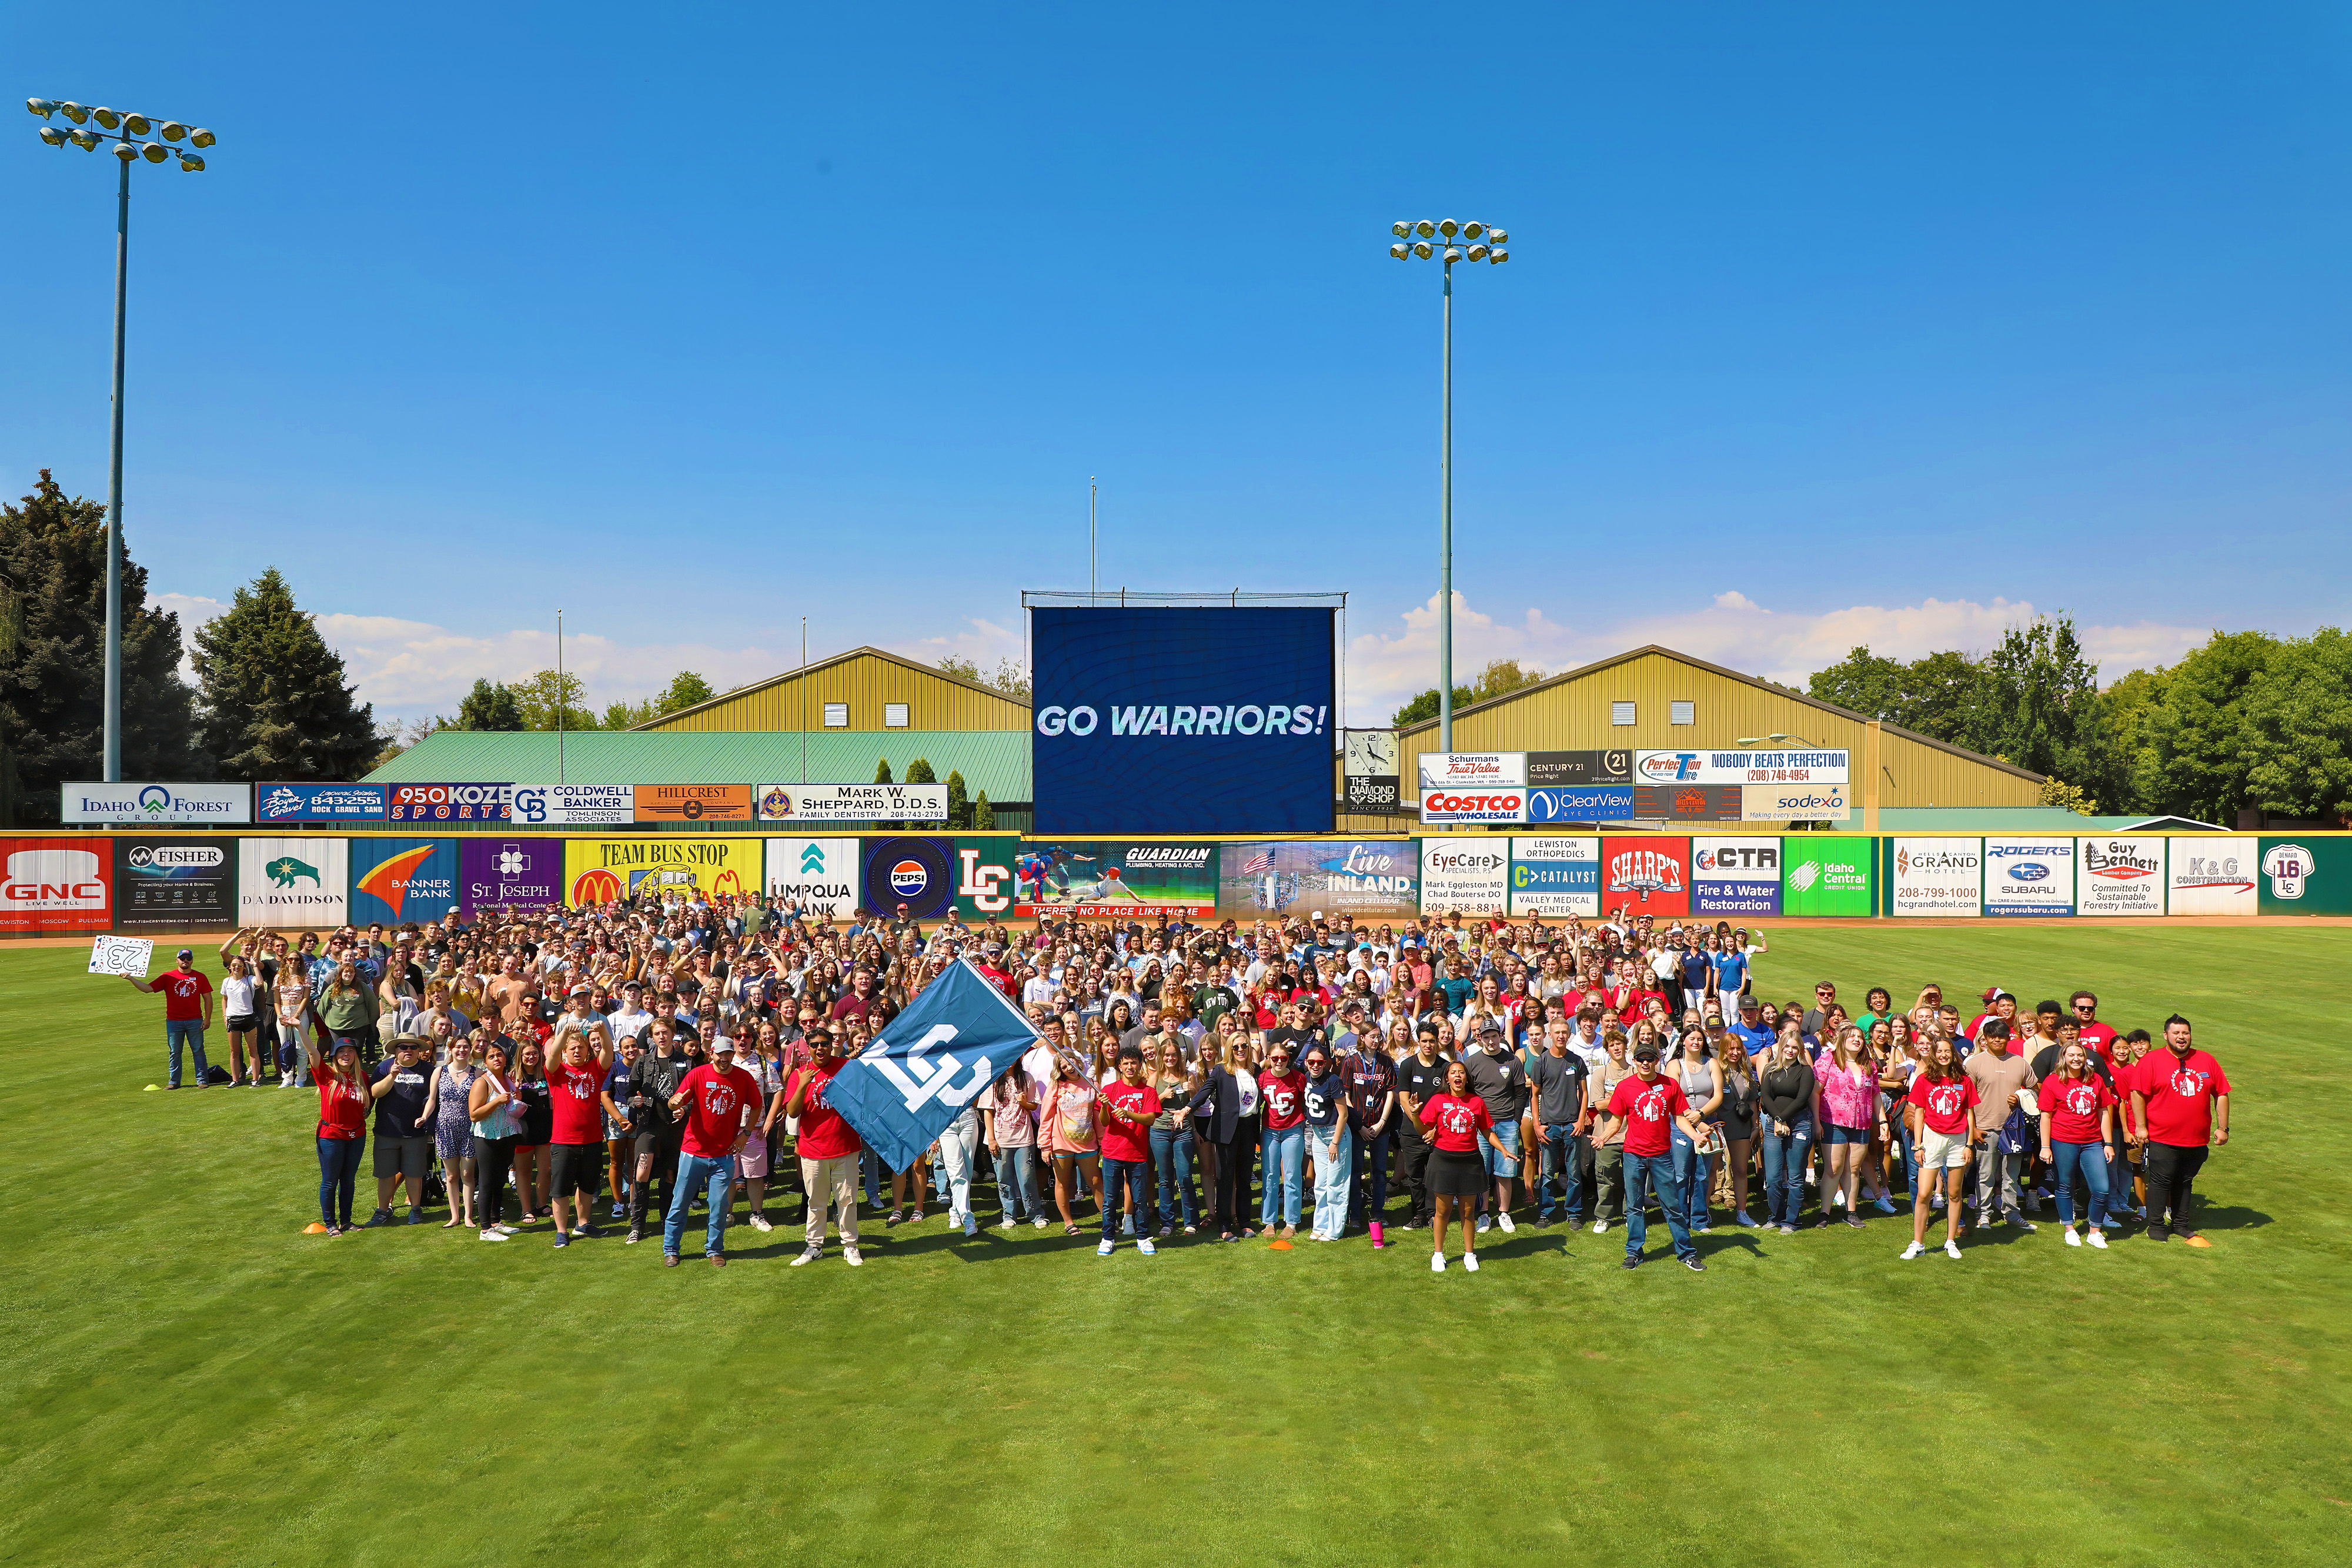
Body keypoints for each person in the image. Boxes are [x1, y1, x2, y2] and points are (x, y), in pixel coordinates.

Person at [1598, 1042, 1709, 1272]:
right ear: (1634, 1061)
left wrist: (1696, 1136)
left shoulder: (1670, 1085)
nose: (1645, 1063)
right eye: (1641, 1059)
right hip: (1633, 1155)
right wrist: (1603, 1137)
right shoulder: (1625, 1087)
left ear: (1657, 1060)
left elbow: (1679, 1118)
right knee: (1635, 1207)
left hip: (1662, 1156)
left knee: (1672, 1206)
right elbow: (1617, 1121)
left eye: (1650, 1059)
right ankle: (1634, 1253)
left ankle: (1687, 1253)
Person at [2128, 1015, 2231, 1247]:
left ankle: (2181, 1224)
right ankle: (2155, 1226)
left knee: (2185, 1181)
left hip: (2196, 1138)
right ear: (2166, 1036)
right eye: (2176, 1033)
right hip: (2162, 1136)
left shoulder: (2207, 1060)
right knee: (2161, 1181)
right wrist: (2141, 1126)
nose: (2181, 1038)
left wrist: (2223, 1128)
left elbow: (2222, 1094)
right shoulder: (2152, 1061)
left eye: (2185, 1033)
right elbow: (2137, 1093)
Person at [663, 1033, 760, 1267]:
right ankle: (671, 1250)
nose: (724, 1058)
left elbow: (756, 1106)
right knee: (680, 1203)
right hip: (693, 1152)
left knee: (719, 1206)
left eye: (729, 1053)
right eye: (720, 1054)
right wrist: (675, 1103)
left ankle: (715, 1250)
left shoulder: (744, 1078)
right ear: (712, 1054)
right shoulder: (697, 1073)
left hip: (723, 1156)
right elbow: (676, 1100)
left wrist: (745, 1134)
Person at [1417, 1058, 1509, 1273]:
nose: (1458, 1076)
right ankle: (1438, 1255)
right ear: (1447, 1079)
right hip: (1444, 1160)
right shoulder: (1438, 1100)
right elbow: (1423, 1129)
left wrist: (1503, 1149)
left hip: (1470, 1161)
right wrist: (1413, 1113)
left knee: (1468, 1212)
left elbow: (1486, 1130)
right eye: (1453, 1073)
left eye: (1461, 1073)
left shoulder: (1476, 1102)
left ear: (1466, 1078)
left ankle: (1469, 1254)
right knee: (1442, 1211)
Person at [786, 1027, 864, 1266]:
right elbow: (792, 1111)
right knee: (816, 1202)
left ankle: (850, 1245)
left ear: (832, 1045)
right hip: (813, 1149)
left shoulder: (846, 1068)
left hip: (845, 1147)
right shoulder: (800, 1074)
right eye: (815, 1045)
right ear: (808, 1048)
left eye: (824, 1043)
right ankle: (814, 1246)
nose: (820, 1048)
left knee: (847, 1200)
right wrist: (802, 1084)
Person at [544, 994, 615, 1248]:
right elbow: (551, 1057)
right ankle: (561, 1231)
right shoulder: (558, 1071)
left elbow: (608, 1051)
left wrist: (602, 1030)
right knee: (561, 1189)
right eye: (572, 1048)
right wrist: (564, 1031)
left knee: (587, 1186)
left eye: (581, 1047)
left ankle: (583, 1224)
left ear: (587, 1050)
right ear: (565, 1051)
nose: (577, 1051)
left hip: (593, 1138)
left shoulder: (595, 1068)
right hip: (564, 1139)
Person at [1901, 1035, 1979, 1260]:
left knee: (1954, 1193)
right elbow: (1919, 1112)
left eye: (1948, 1051)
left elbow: (1969, 1112)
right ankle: (1918, 1243)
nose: (1944, 1055)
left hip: (1957, 1140)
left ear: (1953, 1053)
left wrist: (1969, 1144)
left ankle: (1951, 1240)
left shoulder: (1964, 1080)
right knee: (1924, 1193)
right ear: (1933, 1055)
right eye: (1939, 1051)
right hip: (1932, 1138)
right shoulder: (1925, 1080)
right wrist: (1918, 1145)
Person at [2039, 1041, 2115, 1248]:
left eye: (2080, 1055)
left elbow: (2104, 1112)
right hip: (2063, 1140)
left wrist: (2108, 1143)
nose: (2076, 1059)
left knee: (2102, 1188)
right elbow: (2045, 1116)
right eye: (2071, 1055)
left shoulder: (2095, 1079)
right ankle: (2070, 1229)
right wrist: (2045, 1146)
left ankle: (2095, 1231)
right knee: (2065, 1185)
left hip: (2092, 1142)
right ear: (2063, 1057)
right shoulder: (2053, 1081)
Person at [626, 1017, 693, 1244]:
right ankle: (637, 1225)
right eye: (657, 1033)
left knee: (670, 1176)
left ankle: (667, 1221)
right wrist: (633, 1101)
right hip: (649, 1125)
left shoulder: (686, 1061)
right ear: (652, 1037)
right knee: (641, 1174)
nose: (662, 1037)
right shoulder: (643, 1062)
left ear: (672, 1034)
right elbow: (629, 1092)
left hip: (675, 1128)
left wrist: (685, 1108)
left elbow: (696, 1095)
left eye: (665, 1032)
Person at [1964, 1021, 2037, 1231]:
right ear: (1985, 1039)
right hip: (1985, 1128)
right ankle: (1984, 1215)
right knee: (1985, 1175)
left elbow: (2036, 1090)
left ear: (2008, 1038)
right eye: (1992, 1036)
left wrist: (2021, 1098)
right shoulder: (1973, 1063)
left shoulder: (2020, 1063)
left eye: (2001, 1036)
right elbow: (1966, 1099)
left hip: (2014, 1129)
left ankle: (2012, 1213)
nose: (1997, 1040)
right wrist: (1974, 1128)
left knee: (2011, 1175)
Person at [362, 1034, 435, 1226]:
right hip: (387, 1131)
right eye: (403, 1047)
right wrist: (392, 1076)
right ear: (396, 1051)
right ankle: (383, 1211)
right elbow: (375, 1092)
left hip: (416, 1132)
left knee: (414, 1174)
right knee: (385, 1174)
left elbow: (434, 1098)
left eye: (413, 1047)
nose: (408, 1050)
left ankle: (416, 1210)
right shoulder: (384, 1067)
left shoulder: (429, 1070)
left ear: (419, 1051)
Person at [1462, 1021, 1528, 1235]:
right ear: (1479, 1037)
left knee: (1506, 1172)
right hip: (1481, 1127)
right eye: (1486, 1037)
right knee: (1481, 1171)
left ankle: (1504, 1213)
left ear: (1500, 1035)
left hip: (1507, 1123)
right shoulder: (1471, 1062)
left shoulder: (1513, 1061)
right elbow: (1468, 1094)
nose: (1491, 1041)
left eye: (1494, 1036)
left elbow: (1520, 1093)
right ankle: (1483, 1214)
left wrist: (1516, 1120)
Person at [1097, 1045, 1161, 1255]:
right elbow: (1105, 1122)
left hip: (1137, 1153)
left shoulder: (1148, 1091)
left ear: (1140, 1065)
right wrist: (1106, 1107)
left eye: (1134, 1063)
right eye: (1125, 1063)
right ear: (1119, 1066)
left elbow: (1150, 1118)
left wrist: (1127, 1113)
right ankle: (1107, 1238)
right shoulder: (1109, 1090)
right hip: (1112, 1152)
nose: (1130, 1067)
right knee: (1110, 1199)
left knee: (1141, 1199)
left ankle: (1143, 1238)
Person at [305, 1034, 371, 1235]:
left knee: (349, 1179)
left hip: (357, 1136)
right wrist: (300, 1027)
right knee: (330, 1180)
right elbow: (312, 1051)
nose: (346, 1054)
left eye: (350, 1050)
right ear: (334, 1056)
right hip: (331, 1136)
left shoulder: (363, 1077)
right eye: (341, 1051)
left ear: (356, 1055)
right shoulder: (327, 1075)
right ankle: (331, 1224)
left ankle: (347, 1222)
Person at [1529, 1019, 1591, 1230]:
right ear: (1550, 1034)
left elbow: (1584, 1093)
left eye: (1565, 1032)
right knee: (1547, 1173)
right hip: (1549, 1127)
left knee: (1574, 1173)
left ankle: (1573, 1213)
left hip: (1572, 1126)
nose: (1561, 1036)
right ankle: (1545, 1213)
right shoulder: (1541, 1062)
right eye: (1557, 1032)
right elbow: (1534, 1095)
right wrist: (1537, 1125)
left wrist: (1581, 1119)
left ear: (1569, 1034)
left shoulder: (1577, 1061)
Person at [1814, 1027, 1877, 1229]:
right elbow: (1815, 1091)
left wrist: (1882, 1121)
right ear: (1842, 1039)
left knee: (1853, 1169)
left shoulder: (1869, 1065)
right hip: (1833, 1122)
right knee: (1834, 1168)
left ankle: (1851, 1213)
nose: (1857, 1040)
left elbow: (1875, 1094)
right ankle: (1824, 1213)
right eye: (1852, 1036)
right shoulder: (1828, 1059)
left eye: (1860, 1037)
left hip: (1862, 1123)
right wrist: (1816, 1122)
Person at [126, 948, 213, 1090]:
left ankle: (202, 1080)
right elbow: (148, 989)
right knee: (175, 1052)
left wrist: (207, 1019)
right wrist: (131, 979)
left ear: (192, 960)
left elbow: (208, 998)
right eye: (183, 958)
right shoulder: (168, 977)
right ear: (177, 960)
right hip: (174, 1022)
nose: (186, 960)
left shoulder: (200, 977)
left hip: (195, 1020)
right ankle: (174, 1082)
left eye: (188, 958)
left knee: (198, 1051)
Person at [1757, 1030, 1816, 1234]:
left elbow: (1802, 1099)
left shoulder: (1805, 1071)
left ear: (1800, 1049)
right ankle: (1776, 1216)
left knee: (1795, 1176)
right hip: (1775, 1125)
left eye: (1795, 1047)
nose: (1790, 1051)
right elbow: (1765, 1096)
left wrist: (1783, 1119)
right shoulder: (1771, 1069)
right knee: (1772, 1177)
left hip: (1799, 1125)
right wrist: (1778, 1120)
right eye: (1787, 1046)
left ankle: (1792, 1220)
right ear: (1780, 1047)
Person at [466, 1042, 526, 1241]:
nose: (497, 1059)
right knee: (487, 1181)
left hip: (508, 1134)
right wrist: (496, 1101)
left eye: (499, 1055)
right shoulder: (482, 1082)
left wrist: (517, 1097)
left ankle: (495, 1221)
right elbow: (474, 1115)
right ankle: (485, 1229)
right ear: (484, 1062)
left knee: (500, 1179)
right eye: (491, 1057)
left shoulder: (508, 1080)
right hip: (487, 1137)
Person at [1392, 1023, 1448, 1231]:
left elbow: (1447, 1102)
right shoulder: (1408, 1066)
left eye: (1432, 1041)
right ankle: (1418, 1215)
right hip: (1412, 1132)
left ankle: (1435, 1215)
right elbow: (1404, 1098)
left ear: (1437, 1042)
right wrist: (1418, 1121)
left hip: (1438, 1133)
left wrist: (1433, 1129)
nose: (1428, 1045)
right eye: (1424, 1041)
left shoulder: (1444, 1067)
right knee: (1415, 1177)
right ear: (1418, 1041)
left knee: (1435, 1175)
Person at [429, 1032, 483, 1230]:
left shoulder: (477, 1073)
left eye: (466, 1047)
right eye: (458, 1047)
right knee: (451, 1176)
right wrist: (424, 1117)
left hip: (469, 1128)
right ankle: (455, 1216)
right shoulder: (439, 1071)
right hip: (445, 1127)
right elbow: (432, 1100)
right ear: (450, 1049)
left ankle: (469, 1216)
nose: (462, 1050)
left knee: (468, 1173)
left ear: (470, 1050)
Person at [984, 1058, 1043, 1231]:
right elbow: (988, 1111)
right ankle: (1009, 1215)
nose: (1010, 1060)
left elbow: (1033, 1105)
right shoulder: (994, 1079)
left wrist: (1023, 1102)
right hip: (1000, 1140)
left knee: (1027, 1179)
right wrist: (991, 1139)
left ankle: (1035, 1213)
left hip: (1024, 1139)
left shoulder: (1027, 1078)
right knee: (1004, 1179)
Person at [1257, 1040, 1307, 1239]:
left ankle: (1291, 1222)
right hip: (1270, 1131)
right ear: (1268, 1059)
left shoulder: (1298, 1077)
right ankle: (1269, 1222)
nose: (1279, 1062)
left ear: (1289, 1060)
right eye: (1275, 1058)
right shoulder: (1262, 1078)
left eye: (1283, 1058)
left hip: (1293, 1130)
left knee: (1292, 1176)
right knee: (1269, 1176)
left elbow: (1306, 1102)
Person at [1301, 1047, 1350, 1242]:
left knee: (1336, 1184)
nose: (1315, 1066)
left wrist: (1335, 1142)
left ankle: (1335, 1230)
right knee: (1321, 1185)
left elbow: (1344, 1114)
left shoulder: (1333, 1081)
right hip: (1317, 1134)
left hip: (1335, 1135)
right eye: (1311, 1062)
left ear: (1326, 1063)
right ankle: (1320, 1225)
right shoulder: (1306, 1077)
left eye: (1320, 1062)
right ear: (1306, 1062)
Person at [220, 954, 263, 1086]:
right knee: (234, 1051)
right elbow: (225, 999)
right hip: (233, 1019)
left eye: (239, 965)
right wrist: (225, 1015)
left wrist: (254, 966)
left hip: (248, 1018)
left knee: (253, 1049)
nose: (236, 968)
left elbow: (260, 983)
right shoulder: (227, 982)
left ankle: (255, 1079)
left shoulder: (249, 979)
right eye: (234, 965)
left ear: (244, 967)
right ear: (230, 968)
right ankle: (235, 1080)